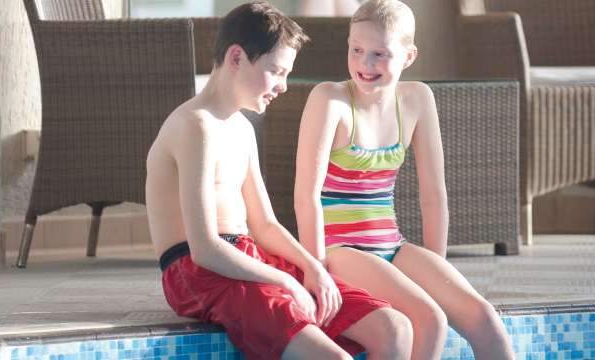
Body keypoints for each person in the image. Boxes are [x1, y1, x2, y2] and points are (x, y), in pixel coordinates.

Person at [146, 2, 413, 359]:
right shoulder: (196, 126)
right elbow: (205, 249)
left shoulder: (240, 127)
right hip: (200, 273)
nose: (284, 86)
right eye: (276, 71)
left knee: (395, 329)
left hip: (249, 256)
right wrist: (285, 281)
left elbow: (265, 224)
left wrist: (310, 268)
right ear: (236, 58)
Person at [293, 0, 515, 359]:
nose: (365, 64)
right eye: (357, 50)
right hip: (339, 249)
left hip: (391, 245)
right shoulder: (330, 100)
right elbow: (307, 195)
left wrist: (435, 269)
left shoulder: (416, 100)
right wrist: (316, 273)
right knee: (430, 320)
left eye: (379, 54)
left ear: (408, 56)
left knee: (485, 318)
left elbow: (433, 195)